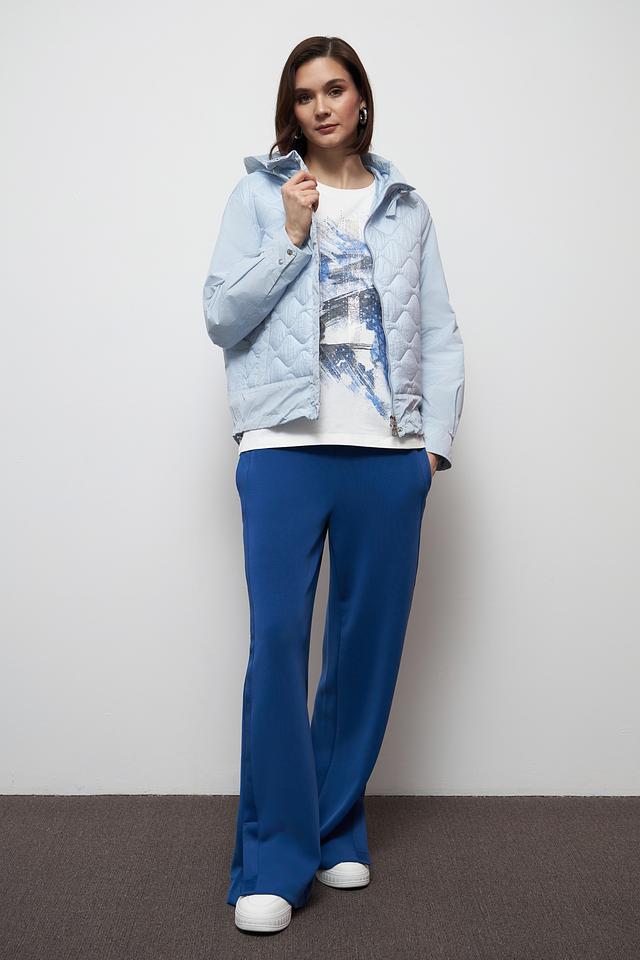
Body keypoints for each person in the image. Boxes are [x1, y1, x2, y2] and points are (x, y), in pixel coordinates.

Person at [202, 35, 465, 934]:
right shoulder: (259, 195)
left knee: (364, 652)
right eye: (305, 93)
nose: (320, 105)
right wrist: (290, 236)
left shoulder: (406, 207)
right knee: (279, 643)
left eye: (336, 88)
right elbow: (221, 316)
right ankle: (274, 858)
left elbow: (440, 330)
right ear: (292, 108)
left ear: (361, 100)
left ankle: (332, 824)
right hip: (283, 446)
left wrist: (431, 449)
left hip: (387, 454)